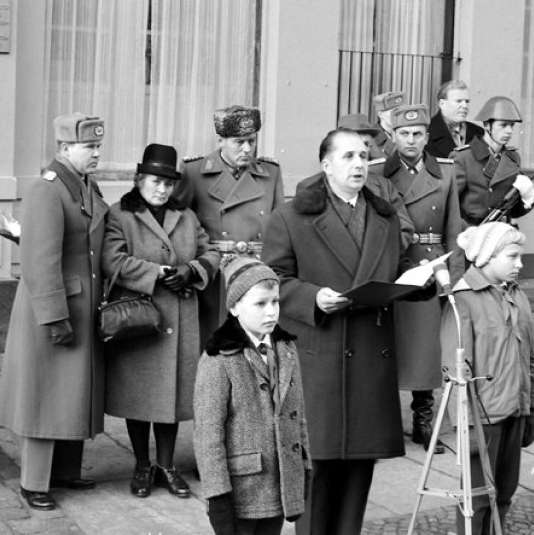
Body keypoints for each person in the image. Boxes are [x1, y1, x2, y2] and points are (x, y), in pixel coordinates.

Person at [264, 128, 420, 535]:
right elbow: (272, 280)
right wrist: (313, 298)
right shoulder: (292, 216)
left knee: (359, 470)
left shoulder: (384, 216)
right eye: (348, 156)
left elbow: (403, 268)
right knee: (317, 468)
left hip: (370, 355)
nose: (358, 165)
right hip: (320, 356)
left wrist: (424, 278)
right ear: (326, 164)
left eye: (363, 157)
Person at [0, 113, 109, 511]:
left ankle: (64, 472)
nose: (96, 152)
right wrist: (53, 316)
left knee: (71, 393)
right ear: (63, 149)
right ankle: (34, 482)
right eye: (89, 147)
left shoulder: (81, 186)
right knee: (44, 395)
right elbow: (40, 262)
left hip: (79, 303)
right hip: (55, 306)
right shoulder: (47, 190)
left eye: (98, 146)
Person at [102, 143, 219, 499]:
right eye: (155, 181)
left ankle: (166, 466)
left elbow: (210, 251)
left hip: (181, 318)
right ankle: (141, 465)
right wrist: (157, 273)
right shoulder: (119, 214)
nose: (162, 189)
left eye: (168, 183)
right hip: (141, 318)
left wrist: (191, 270)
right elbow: (113, 260)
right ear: (139, 180)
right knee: (139, 396)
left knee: (172, 399)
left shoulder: (186, 215)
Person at [194, 256, 310, 535]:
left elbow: (298, 414)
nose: (271, 312)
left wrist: (304, 465)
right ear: (234, 307)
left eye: (275, 302)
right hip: (242, 491)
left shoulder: (286, 349)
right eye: (260, 304)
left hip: (281, 484)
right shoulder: (219, 360)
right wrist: (218, 497)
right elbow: (208, 436)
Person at [441, 222, 534, 535]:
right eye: (512, 257)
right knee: (478, 497)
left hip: (515, 409)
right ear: (487, 257)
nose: (520, 264)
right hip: (483, 418)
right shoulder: (464, 300)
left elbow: (532, 359)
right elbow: (455, 371)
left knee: (505, 490)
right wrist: (465, 425)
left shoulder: (518, 296)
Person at [376, 103, 464, 454]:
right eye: (403, 134)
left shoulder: (445, 173)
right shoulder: (378, 172)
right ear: (392, 136)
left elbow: (454, 227)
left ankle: (424, 420)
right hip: (394, 265)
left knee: (426, 348)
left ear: (428, 137)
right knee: (389, 344)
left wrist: (453, 275)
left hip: (430, 264)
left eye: (417, 134)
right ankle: (384, 422)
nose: (410, 140)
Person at [175, 105, 283, 344]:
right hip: (215, 279)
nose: (247, 149)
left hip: (255, 275)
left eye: (252, 141)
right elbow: (180, 228)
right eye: (239, 142)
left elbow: (279, 233)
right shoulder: (194, 172)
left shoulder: (271, 172)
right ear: (221, 141)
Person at [296, 113, 414, 251]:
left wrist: (382, 254)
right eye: (350, 152)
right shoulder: (310, 187)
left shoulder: (384, 186)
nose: (361, 150)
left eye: (366, 145)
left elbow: (404, 229)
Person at [452, 95, 534, 226]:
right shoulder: (464, 158)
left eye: (511, 126)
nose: (509, 131)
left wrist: (528, 198)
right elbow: (449, 205)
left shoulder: (512, 158)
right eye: (503, 125)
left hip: (502, 233)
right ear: (486, 125)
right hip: (472, 234)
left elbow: (514, 211)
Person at [425, 80, 483, 158]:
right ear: (442, 104)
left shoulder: (479, 133)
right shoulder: (426, 132)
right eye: (459, 101)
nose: (465, 106)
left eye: (467, 101)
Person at [370, 90, 404, 159]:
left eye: (400, 111)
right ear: (380, 114)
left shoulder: (408, 135)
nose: (398, 115)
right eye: (393, 112)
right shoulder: (371, 139)